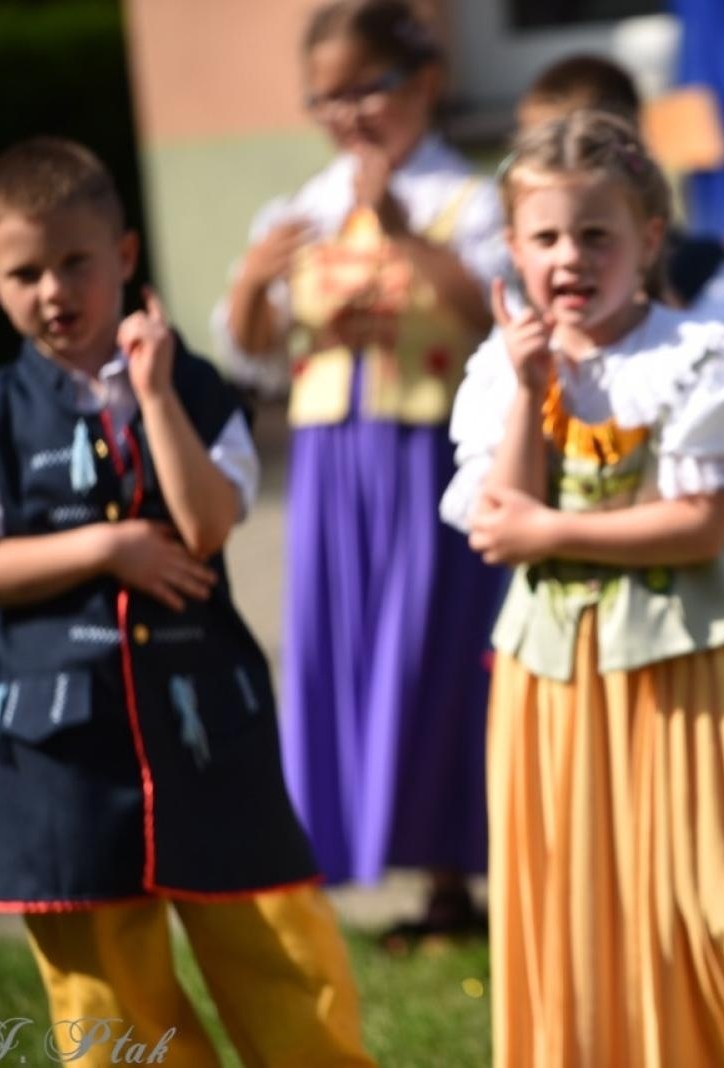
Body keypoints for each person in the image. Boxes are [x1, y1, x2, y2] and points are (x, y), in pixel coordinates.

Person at [0, 137, 371, 1067]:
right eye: (25, 272)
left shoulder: (197, 390)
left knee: (280, 949)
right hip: (64, 753)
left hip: (208, 727)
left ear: (124, 256)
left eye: (75, 261)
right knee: (105, 994)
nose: (53, 290)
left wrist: (157, 396)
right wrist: (107, 547)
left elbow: (206, 526)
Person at [439, 110, 724, 1066]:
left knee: (699, 882)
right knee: (570, 887)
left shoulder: (692, 357)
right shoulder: (501, 368)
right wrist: (527, 389)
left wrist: (554, 530)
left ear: (648, 240)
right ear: (514, 249)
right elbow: (495, 517)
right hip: (550, 677)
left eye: (595, 234)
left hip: (673, 670)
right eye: (547, 237)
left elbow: (695, 528)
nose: (569, 257)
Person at [210, 0, 507, 946]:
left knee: (436, 654)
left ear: (422, 83)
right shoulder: (297, 211)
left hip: (432, 456)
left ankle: (462, 872)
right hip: (335, 466)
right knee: (349, 652)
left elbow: (499, 320)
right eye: (324, 98)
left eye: (364, 90)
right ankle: (379, 869)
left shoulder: (471, 202)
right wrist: (255, 282)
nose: (345, 115)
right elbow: (252, 356)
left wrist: (404, 234)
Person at [514, 51, 724, 936]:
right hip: (596, 586)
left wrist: (653, 302)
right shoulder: (546, 312)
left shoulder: (692, 268)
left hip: (706, 573)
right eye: (540, 147)